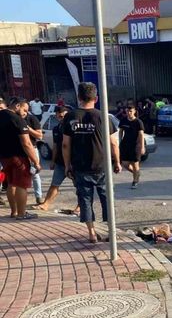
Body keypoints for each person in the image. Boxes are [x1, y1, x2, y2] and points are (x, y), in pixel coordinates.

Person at [63, 82, 121, 243]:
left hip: (80, 167)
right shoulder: (103, 116)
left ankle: (92, 234)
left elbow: (66, 144)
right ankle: (111, 232)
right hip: (102, 166)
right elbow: (114, 143)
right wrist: (117, 162)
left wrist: (67, 165)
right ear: (96, 98)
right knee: (106, 199)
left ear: (79, 97)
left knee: (85, 200)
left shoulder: (71, 116)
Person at [0, 97, 41, 219]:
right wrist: (36, 161)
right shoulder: (18, 120)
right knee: (21, 185)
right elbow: (27, 144)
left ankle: (14, 212)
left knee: (11, 183)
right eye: (25, 109)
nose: (25, 113)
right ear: (17, 106)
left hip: (4, 157)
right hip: (19, 157)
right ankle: (22, 214)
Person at [34, 106, 79, 214]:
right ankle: (45, 204)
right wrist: (53, 161)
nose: (62, 118)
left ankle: (79, 207)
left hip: (74, 162)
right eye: (60, 116)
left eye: (64, 115)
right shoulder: (56, 129)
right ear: (56, 116)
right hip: (60, 162)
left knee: (78, 186)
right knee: (54, 184)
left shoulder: (75, 128)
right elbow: (55, 146)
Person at [119, 105, 145, 189]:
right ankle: (136, 173)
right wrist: (120, 141)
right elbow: (121, 131)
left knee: (135, 164)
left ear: (134, 111)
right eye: (127, 111)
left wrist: (142, 147)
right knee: (125, 164)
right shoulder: (123, 121)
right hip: (125, 145)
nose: (129, 113)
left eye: (130, 111)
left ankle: (135, 182)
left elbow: (141, 135)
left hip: (135, 146)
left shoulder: (138, 122)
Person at [22, 111, 44, 205]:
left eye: (26, 110)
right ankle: (21, 198)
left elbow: (39, 136)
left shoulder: (32, 119)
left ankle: (38, 197)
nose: (24, 112)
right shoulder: (14, 118)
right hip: (17, 150)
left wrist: (29, 129)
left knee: (35, 173)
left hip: (32, 148)